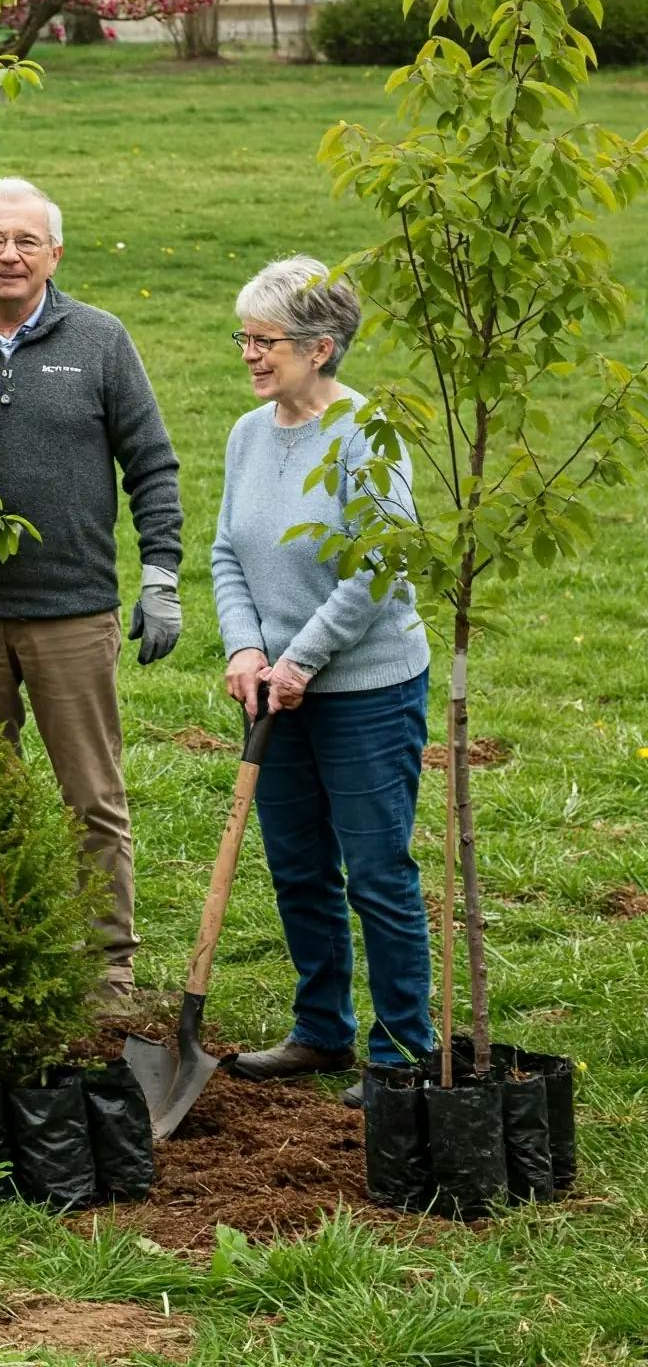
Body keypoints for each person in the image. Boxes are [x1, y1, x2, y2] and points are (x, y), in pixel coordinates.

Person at [0, 177, 182, 1004]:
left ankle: (105, 968)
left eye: (26, 241)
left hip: (72, 611)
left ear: (55, 253)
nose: (8, 255)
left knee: (92, 798)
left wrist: (160, 575)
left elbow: (152, 463)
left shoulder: (100, 341)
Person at [211, 255, 434, 1095]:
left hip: (366, 688)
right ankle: (321, 1030)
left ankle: (403, 1048)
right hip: (272, 689)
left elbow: (382, 567)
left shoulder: (367, 434)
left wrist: (303, 658)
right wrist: (245, 649)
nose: (250, 354)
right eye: (246, 337)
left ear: (323, 346)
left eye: (266, 341)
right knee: (299, 865)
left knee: (377, 870)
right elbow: (228, 549)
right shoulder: (246, 433)